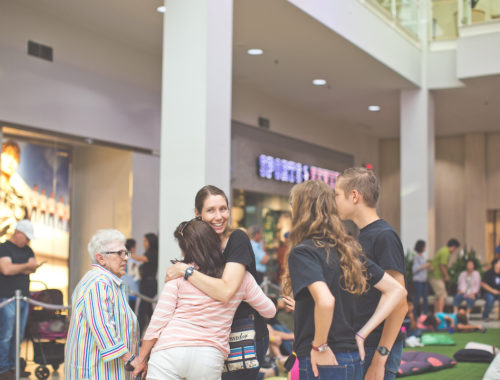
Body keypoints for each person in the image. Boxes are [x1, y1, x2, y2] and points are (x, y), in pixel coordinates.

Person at [282, 180, 407, 380]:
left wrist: (320, 345)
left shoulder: (303, 252)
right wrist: (362, 334)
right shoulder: (347, 250)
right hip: (351, 357)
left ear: (299, 209)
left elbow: (326, 301)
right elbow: (397, 290)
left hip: (323, 361)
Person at [132, 219, 276, 380]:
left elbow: (158, 321)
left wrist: (142, 359)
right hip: (209, 356)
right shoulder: (241, 278)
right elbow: (269, 311)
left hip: (169, 351)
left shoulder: (178, 274)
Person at [165, 185, 271, 379]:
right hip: (210, 338)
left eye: (223, 209)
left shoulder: (236, 239)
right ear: (198, 213)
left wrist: (184, 270)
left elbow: (225, 291)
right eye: (211, 210)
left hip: (242, 334)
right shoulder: (199, 245)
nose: (219, 216)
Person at [335, 167, 408, 380]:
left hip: (377, 347)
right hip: (362, 345)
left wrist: (380, 358)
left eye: (337, 195)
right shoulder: (362, 236)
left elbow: (400, 302)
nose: (335, 201)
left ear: (354, 196)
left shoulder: (383, 236)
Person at [64, 229, 140, 379]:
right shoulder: (99, 283)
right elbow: (103, 328)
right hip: (95, 372)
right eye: (120, 253)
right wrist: (130, 359)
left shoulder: (108, 282)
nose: (125, 259)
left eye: (126, 253)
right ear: (101, 258)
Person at [0, 220, 40, 380]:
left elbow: (34, 266)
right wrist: (25, 266)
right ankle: (3, 368)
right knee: (6, 334)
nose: (28, 241)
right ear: (18, 233)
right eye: (26, 237)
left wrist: (18, 266)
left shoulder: (28, 249)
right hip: (7, 298)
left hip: (24, 298)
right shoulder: (3, 248)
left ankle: (13, 366)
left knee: (19, 334)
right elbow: (6, 269)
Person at [131, 233, 158, 333]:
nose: (143, 243)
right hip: (145, 284)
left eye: (145, 241)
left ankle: (138, 335)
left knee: (142, 310)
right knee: (148, 311)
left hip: (149, 285)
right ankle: (154, 333)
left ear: (151, 242)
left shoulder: (153, 253)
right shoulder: (148, 253)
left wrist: (127, 254)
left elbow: (141, 259)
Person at [429, 238, 461, 313]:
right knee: (442, 296)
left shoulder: (443, 250)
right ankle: (440, 314)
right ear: (453, 246)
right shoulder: (446, 252)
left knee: (438, 296)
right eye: (455, 248)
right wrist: (446, 276)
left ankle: (436, 314)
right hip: (436, 277)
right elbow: (442, 266)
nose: (454, 251)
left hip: (435, 276)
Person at [412, 240, 430, 318]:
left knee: (425, 298)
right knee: (417, 298)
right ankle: (414, 315)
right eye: (424, 246)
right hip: (418, 280)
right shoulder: (416, 256)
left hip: (424, 280)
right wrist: (425, 266)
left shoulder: (422, 256)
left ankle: (425, 315)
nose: (425, 248)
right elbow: (415, 269)